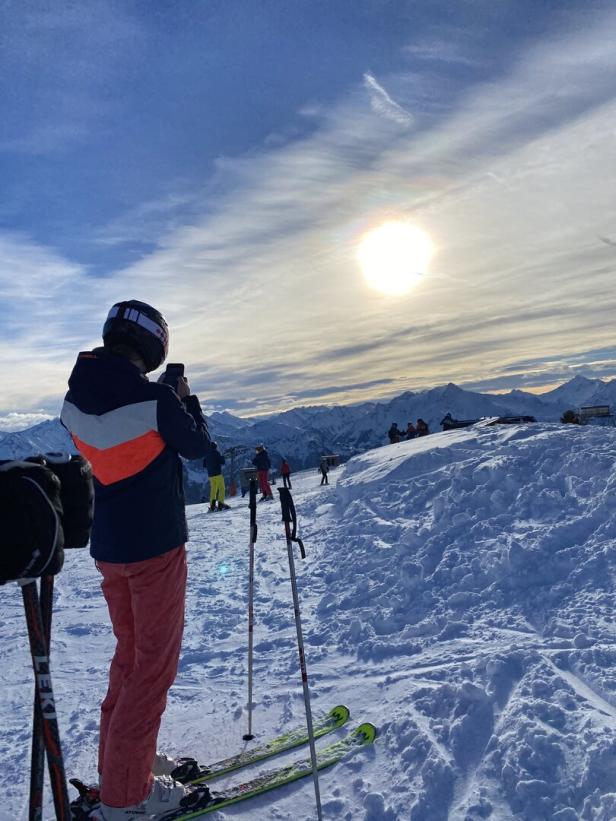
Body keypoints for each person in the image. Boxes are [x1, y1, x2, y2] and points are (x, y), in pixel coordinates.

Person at [61, 300, 213, 821]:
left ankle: (126, 765)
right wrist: (184, 401)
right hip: (156, 549)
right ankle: (127, 800)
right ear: (154, 345)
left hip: (111, 552)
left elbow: (118, 441)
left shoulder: (74, 403)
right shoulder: (157, 400)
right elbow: (197, 448)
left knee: (129, 661)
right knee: (151, 670)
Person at [204, 441, 229, 511]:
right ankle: (221, 504)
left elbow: (204, 465)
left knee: (213, 490)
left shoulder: (207, 454)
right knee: (222, 489)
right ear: (215, 447)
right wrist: (222, 457)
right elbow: (222, 462)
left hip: (210, 475)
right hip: (217, 474)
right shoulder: (216, 453)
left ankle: (212, 506)